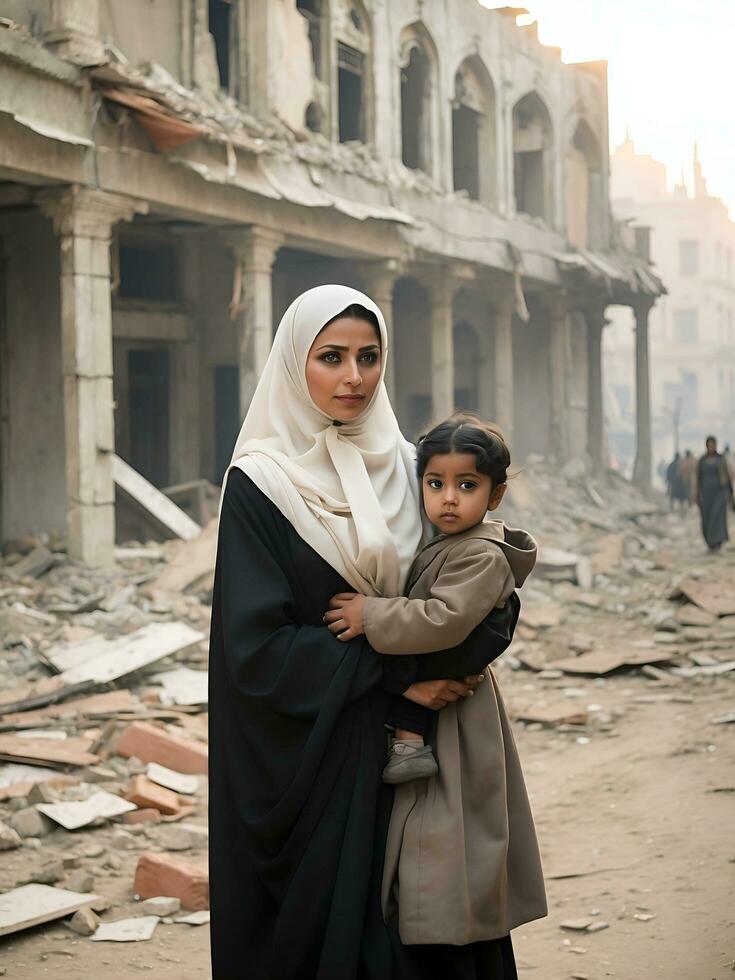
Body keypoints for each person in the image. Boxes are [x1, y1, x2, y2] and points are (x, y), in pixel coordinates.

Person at [208, 284, 545, 980]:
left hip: (427, 757)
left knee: (433, 935)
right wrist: (398, 680)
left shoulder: (412, 467)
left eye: (368, 356)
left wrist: (460, 656)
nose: (354, 377)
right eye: (330, 357)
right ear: (295, 363)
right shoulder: (261, 484)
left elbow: (476, 589)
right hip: (323, 757)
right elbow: (257, 652)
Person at [324, 415, 536, 786]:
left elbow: (443, 619)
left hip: (455, 704)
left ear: (496, 495)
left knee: (451, 810)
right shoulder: (446, 542)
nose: (449, 498)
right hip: (436, 684)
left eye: (467, 485)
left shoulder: (481, 555)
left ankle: (410, 744)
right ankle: (409, 741)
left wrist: (368, 614)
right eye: (435, 483)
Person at [697, 435, 734, 552]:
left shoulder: (721, 459)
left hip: (719, 492)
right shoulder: (702, 460)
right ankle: (710, 542)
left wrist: (729, 493)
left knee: (718, 517)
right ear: (706, 446)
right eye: (709, 445)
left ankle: (718, 541)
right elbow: (698, 478)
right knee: (707, 518)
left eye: (713, 445)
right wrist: (697, 494)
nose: (711, 447)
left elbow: (727, 477)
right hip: (706, 494)